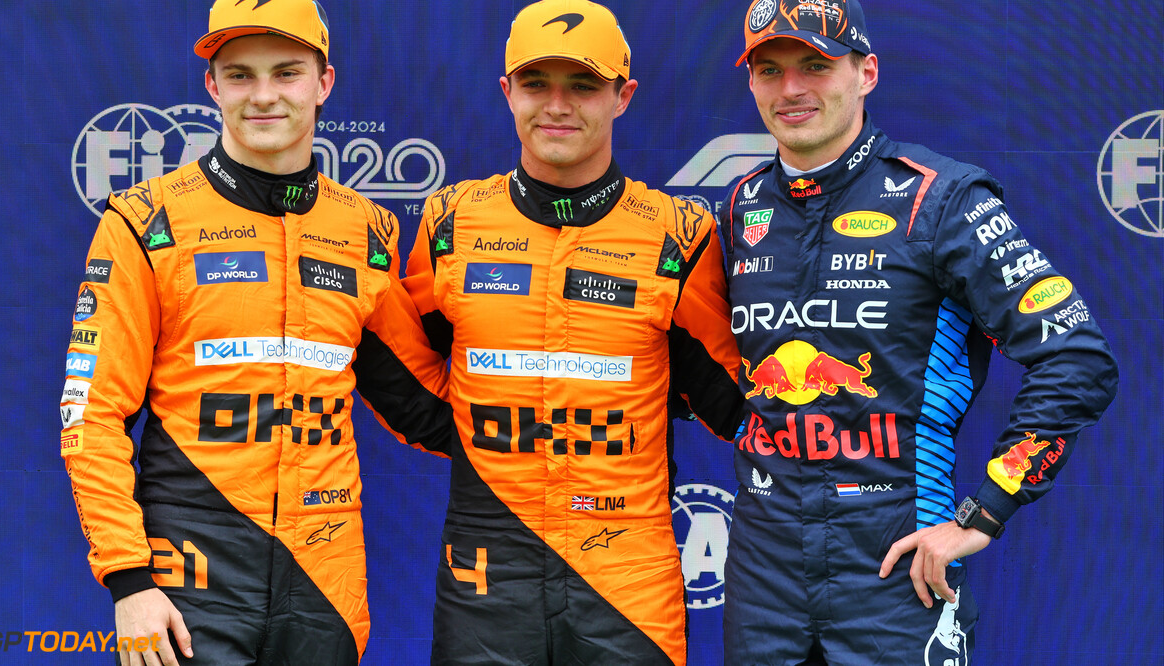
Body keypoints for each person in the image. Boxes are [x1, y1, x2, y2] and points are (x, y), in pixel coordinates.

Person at [719, 1, 1118, 664]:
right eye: (770, 69)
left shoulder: (944, 198)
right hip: (764, 575)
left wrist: (983, 513)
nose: (791, 89)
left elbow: (1076, 358)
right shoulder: (740, 206)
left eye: (815, 65)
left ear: (866, 72)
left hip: (898, 568)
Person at [59, 1, 448, 664]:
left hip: (326, 580)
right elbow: (91, 416)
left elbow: (420, 402)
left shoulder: (367, 233)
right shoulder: (146, 222)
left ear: (324, 83)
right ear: (212, 86)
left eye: (286, 73)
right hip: (188, 582)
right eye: (240, 75)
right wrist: (129, 580)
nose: (263, 95)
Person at [402, 0, 744, 663]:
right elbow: (404, 374)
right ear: (506, 92)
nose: (557, 105)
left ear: (624, 96)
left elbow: (726, 396)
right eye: (536, 84)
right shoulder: (449, 224)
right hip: (486, 573)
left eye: (583, 85)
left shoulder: (678, 233)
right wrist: (486, 446)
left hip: (628, 580)